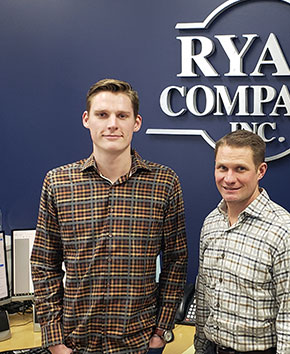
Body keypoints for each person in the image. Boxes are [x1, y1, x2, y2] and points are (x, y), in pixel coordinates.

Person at [31, 78, 188, 354]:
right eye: (102, 115)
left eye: (122, 115)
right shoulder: (58, 183)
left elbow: (176, 261)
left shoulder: (164, 183)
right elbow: (45, 264)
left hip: (138, 343)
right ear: (86, 119)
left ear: (136, 122)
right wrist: (54, 339)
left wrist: (162, 329)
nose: (112, 124)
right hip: (75, 342)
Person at [194, 130, 290, 354]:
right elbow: (203, 295)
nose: (229, 179)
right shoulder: (211, 223)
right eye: (222, 168)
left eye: (240, 169)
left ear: (261, 171)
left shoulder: (285, 233)